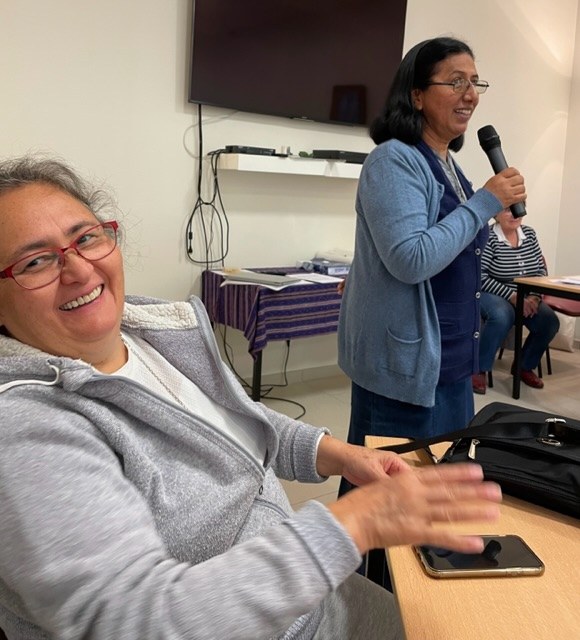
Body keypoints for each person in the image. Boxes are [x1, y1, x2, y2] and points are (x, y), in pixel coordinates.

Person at [0, 156, 502, 640]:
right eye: (36, 261)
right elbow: (134, 622)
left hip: (301, 594)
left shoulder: (149, 334)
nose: (79, 269)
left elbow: (237, 421)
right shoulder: (25, 430)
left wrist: (337, 454)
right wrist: (356, 523)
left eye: (87, 237)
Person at [337, 37, 527, 460]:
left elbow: (447, 245)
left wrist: (484, 207)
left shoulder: (448, 165)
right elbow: (411, 259)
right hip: (406, 370)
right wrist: (484, 203)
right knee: (387, 492)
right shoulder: (393, 160)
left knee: (439, 484)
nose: (471, 95)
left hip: (452, 361)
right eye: (456, 82)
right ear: (417, 95)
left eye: (475, 82)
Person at [471, 209, 560, 394]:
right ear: (495, 213)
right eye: (507, 210)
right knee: (502, 315)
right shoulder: (489, 236)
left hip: (527, 295)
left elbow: (540, 271)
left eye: (518, 208)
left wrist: (534, 297)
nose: (514, 214)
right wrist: (512, 296)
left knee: (549, 321)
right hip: (492, 292)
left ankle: (523, 366)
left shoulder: (529, 234)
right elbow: (480, 276)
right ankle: (478, 369)